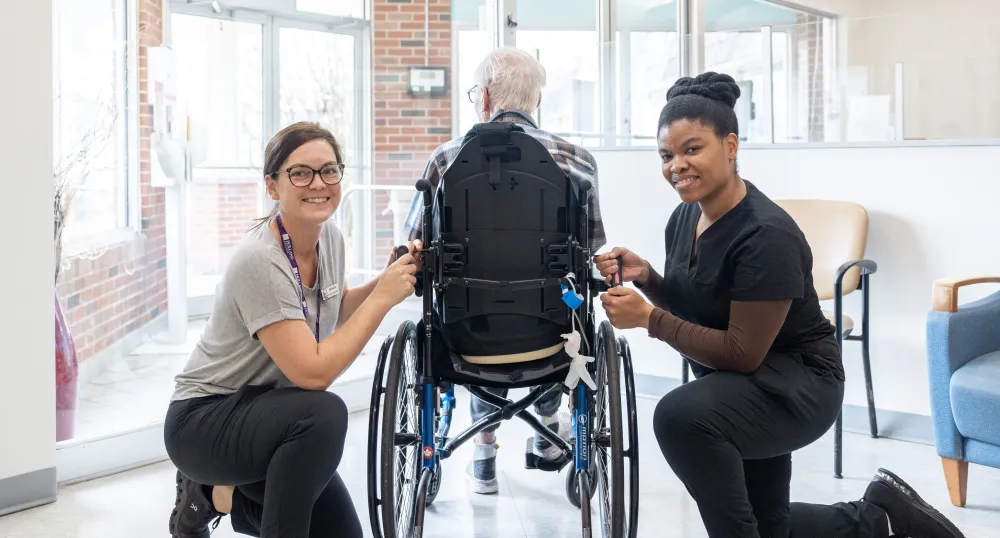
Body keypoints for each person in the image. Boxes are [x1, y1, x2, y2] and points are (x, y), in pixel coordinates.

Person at [596, 72, 965, 538]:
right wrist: (649, 278)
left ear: (731, 146)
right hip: (744, 386)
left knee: (678, 416)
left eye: (692, 149)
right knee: (772, 528)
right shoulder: (684, 217)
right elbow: (699, 310)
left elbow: (740, 352)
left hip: (798, 386)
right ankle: (882, 517)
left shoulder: (765, 234)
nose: (676, 166)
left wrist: (649, 319)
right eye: (667, 156)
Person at [164, 121, 420, 538]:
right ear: (273, 186)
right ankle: (207, 480)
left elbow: (333, 312)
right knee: (323, 413)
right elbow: (313, 374)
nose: (318, 183)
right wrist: (384, 299)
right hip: (204, 420)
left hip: (269, 412)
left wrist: (387, 278)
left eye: (329, 170)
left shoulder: (330, 239)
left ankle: (207, 497)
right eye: (300, 172)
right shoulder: (260, 261)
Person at [400, 47, 607, 495]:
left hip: (467, 342)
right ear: (536, 102)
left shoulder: (445, 160)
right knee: (559, 307)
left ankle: (483, 450)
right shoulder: (578, 161)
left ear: (486, 97)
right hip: (551, 339)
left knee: (470, 304)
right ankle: (550, 427)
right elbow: (589, 249)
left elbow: (411, 248)